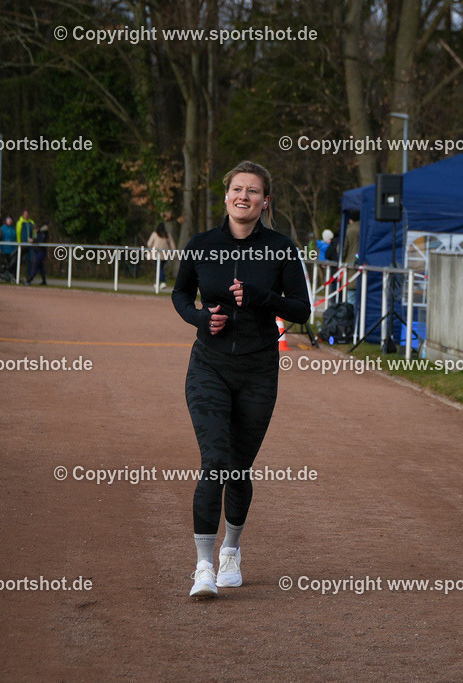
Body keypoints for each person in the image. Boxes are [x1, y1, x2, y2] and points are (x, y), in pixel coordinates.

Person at [172, 160, 310, 599]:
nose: (243, 196)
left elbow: (301, 309)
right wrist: (199, 318)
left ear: (265, 201)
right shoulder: (202, 244)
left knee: (237, 468)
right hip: (209, 366)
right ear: (227, 195)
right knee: (214, 462)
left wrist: (261, 297)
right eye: (237, 189)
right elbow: (180, 293)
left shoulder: (280, 248)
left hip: (258, 370)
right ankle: (203, 566)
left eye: (253, 191)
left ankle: (231, 551)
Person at [147, 223, 176, 291]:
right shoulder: (167, 235)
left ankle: (162, 282)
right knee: (160, 268)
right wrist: (174, 253)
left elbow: (149, 243)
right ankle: (157, 282)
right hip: (165, 254)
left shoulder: (155, 234)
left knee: (159, 268)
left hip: (156, 254)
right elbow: (172, 245)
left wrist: (151, 248)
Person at [15, 210, 35, 282]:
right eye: (25, 214)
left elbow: (33, 232)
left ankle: (28, 277)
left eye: (27, 214)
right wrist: (19, 243)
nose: (26, 215)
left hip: (30, 245)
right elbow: (18, 233)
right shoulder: (20, 222)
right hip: (23, 245)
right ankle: (17, 275)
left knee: (30, 261)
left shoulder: (31, 222)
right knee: (21, 260)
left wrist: (33, 239)